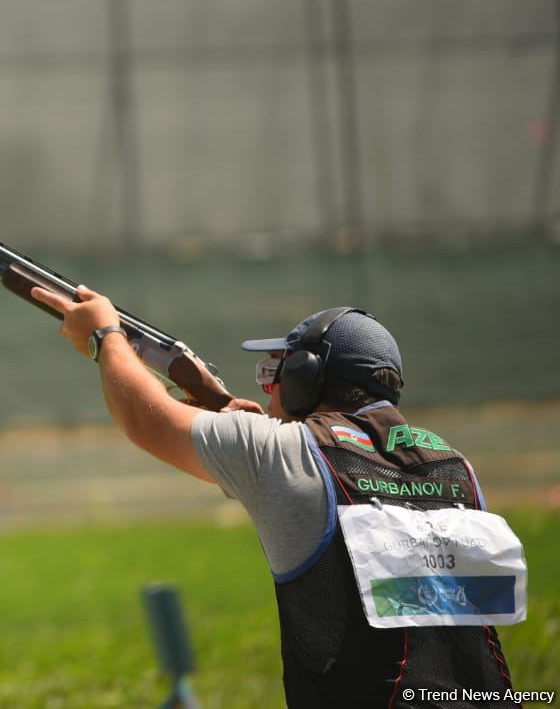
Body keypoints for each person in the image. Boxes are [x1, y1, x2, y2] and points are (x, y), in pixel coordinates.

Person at [29, 284, 518, 708]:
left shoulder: (280, 452)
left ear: (307, 377)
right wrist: (240, 421)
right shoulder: (456, 468)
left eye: (273, 374)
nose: (267, 392)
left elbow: (145, 419)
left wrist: (105, 336)